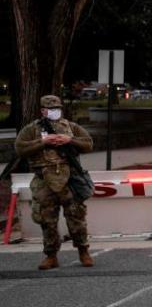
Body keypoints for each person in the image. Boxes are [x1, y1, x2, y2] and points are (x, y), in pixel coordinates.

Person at [14, 95, 95, 270]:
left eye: (57, 108)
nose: (54, 111)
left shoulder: (71, 127)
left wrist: (69, 140)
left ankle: (83, 251)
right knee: (47, 220)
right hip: (44, 181)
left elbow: (88, 144)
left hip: (69, 179)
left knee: (76, 218)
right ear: (42, 110)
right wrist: (42, 142)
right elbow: (20, 148)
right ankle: (51, 255)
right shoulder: (32, 129)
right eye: (50, 109)